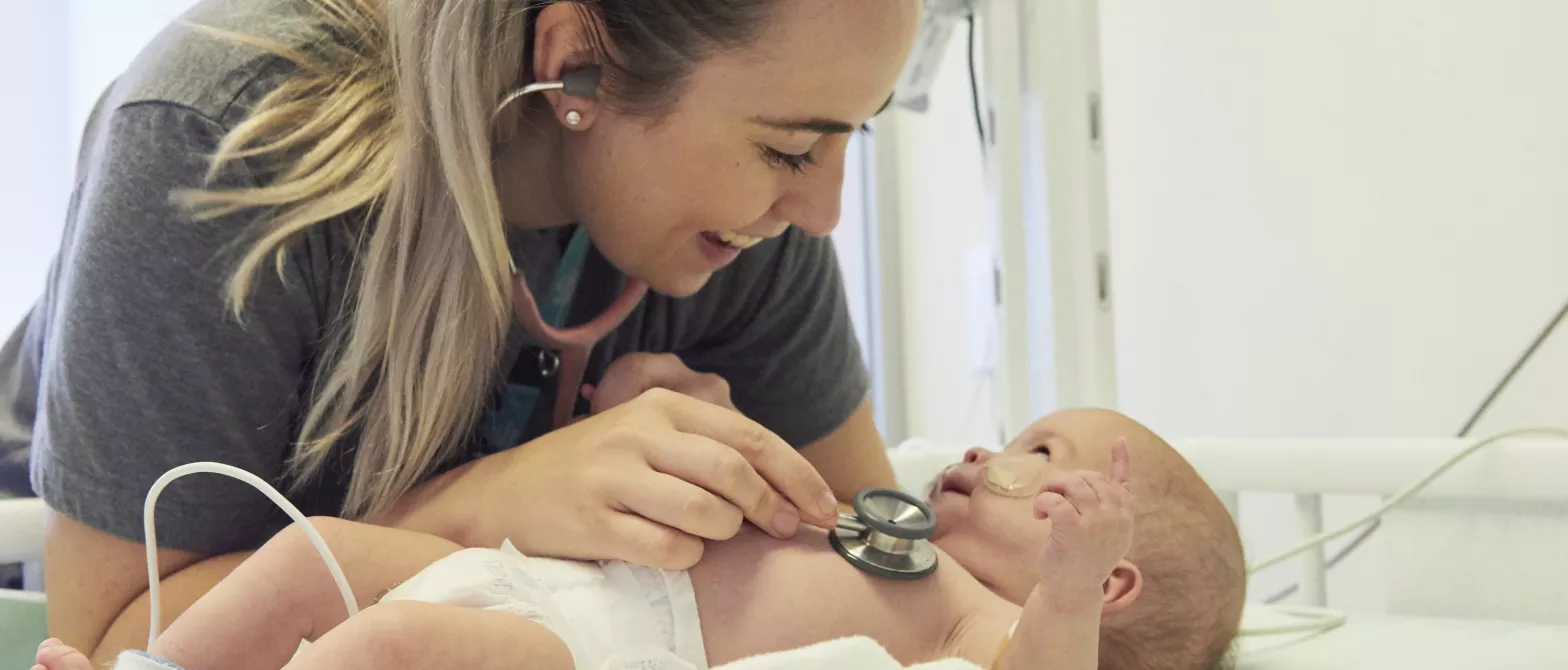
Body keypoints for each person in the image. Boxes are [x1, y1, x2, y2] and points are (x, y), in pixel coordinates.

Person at [0, 0, 923, 663]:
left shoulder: (747, 231)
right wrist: (491, 505)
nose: (822, 209)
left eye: (850, 139)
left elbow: (886, 573)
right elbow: (113, 644)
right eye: (791, 150)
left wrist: (722, 508)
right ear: (577, 66)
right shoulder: (223, 137)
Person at [32, 408, 1248, 670]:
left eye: (1045, 462)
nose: (990, 455)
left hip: (603, 647)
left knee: (386, 642)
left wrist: (1068, 588)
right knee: (308, 559)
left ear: (1109, 572)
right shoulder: (882, 534)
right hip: (566, 573)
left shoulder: (980, 624)